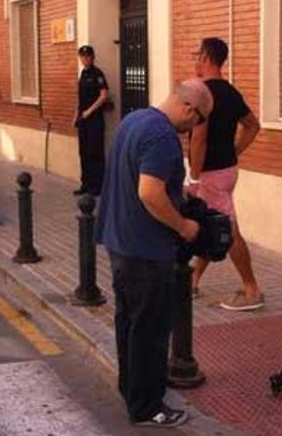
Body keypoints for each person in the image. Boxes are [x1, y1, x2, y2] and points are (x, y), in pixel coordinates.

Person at [96, 79, 212, 428]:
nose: (193, 130)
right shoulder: (163, 136)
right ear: (190, 110)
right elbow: (149, 193)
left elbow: (139, 179)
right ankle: (147, 407)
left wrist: (179, 196)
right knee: (151, 329)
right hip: (146, 247)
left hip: (120, 241)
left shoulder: (134, 120)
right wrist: (183, 226)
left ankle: (131, 388)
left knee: (129, 321)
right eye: (197, 122)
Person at [188, 37, 263, 311]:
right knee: (214, 222)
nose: (195, 60)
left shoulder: (201, 93)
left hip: (210, 173)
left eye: (197, 55)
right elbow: (253, 125)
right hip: (227, 170)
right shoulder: (230, 91)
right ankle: (193, 279)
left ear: (206, 57)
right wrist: (234, 151)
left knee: (227, 229)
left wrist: (194, 177)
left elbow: (199, 139)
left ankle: (251, 289)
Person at [73, 45, 109, 196]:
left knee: (95, 152)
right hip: (83, 119)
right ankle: (85, 184)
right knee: (84, 152)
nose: (85, 59)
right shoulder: (82, 74)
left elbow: (104, 95)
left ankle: (97, 186)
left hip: (94, 119)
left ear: (93, 57)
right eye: (83, 56)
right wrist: (76, 115)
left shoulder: (97, 74)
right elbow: (80, 98)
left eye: (88, 56)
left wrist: (89, 111)